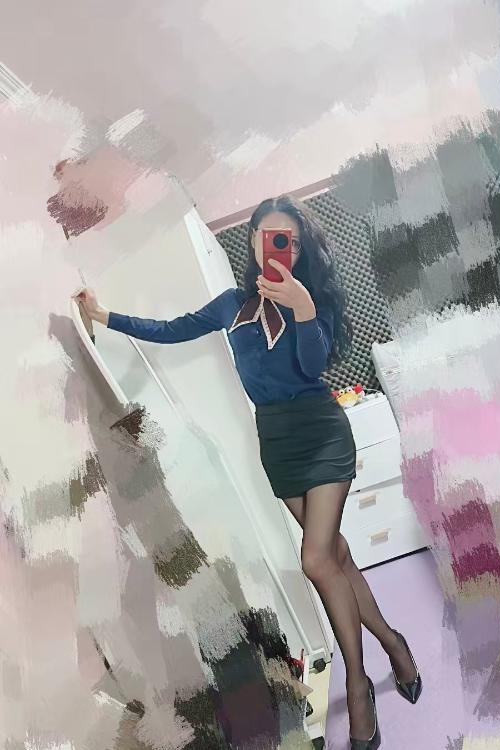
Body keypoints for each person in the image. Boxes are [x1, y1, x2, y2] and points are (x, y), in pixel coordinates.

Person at [75, 193, 421, 749]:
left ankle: (358, 687)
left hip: (321, 431)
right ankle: (394, 642)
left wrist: (302, 308)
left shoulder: (314, 302)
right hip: (277, 442)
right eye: (267, 236)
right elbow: (171, 329)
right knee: (335, 557)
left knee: (315, 559)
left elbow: (311, 364)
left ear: (299, 249)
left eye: (288, 240)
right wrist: (103, 315)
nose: (276, 247)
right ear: (255, 242)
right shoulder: (229, 306)